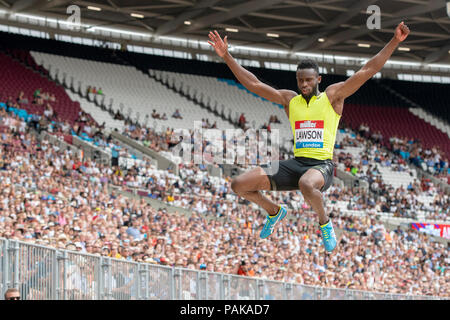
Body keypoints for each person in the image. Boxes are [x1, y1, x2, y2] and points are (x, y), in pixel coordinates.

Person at [207, 22, 410, 252]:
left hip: (321, 167)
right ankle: (274, 211)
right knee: (239, 184)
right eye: (300, 80)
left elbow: (368, 70)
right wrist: (227, 56)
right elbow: (254, 84)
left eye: (309, 80)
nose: (304, 84)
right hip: (296, 163)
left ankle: (325, 224)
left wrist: (395, 41)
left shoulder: (332, 97)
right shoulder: (289, 100)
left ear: (318, 80)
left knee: (306, 183)